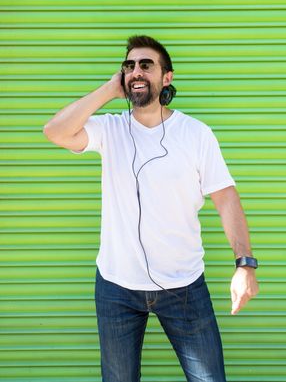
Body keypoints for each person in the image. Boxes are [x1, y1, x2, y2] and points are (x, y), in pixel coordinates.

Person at [43, 35, 259, 382]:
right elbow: (54, 131)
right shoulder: (109, 128)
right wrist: (109, 89)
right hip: (117, 288)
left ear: (167, 77)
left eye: (146, 65)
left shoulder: (195, 134)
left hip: (184, 286)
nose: (136, 71)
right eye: (129, 66)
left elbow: (226, 198)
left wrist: (244, 264)